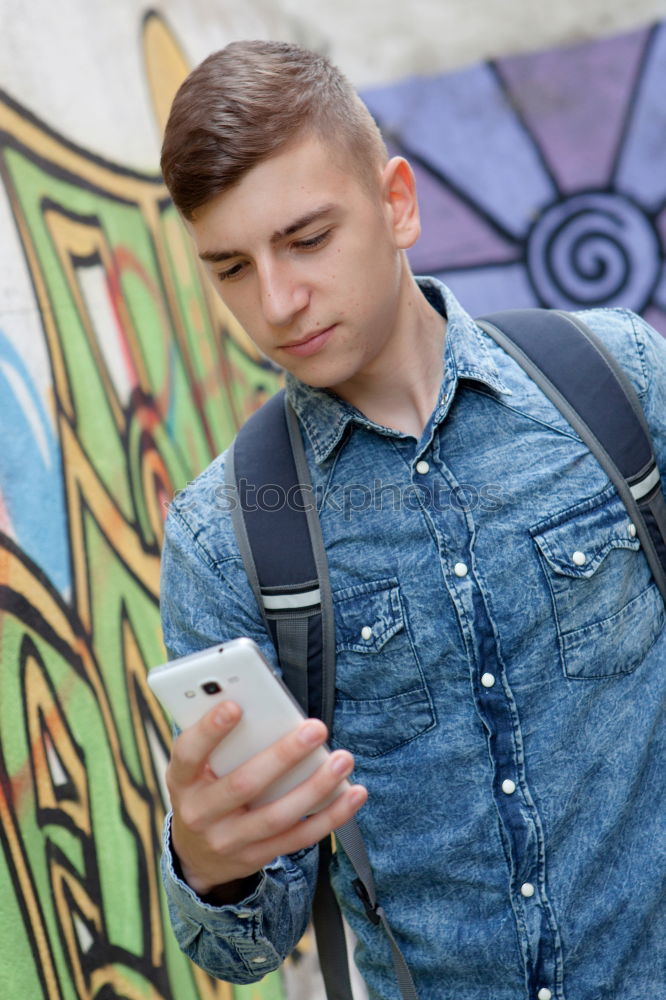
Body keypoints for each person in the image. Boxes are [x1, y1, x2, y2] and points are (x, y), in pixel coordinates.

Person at [158, 39, 666, 1000]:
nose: (276, 302)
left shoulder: (617, 380)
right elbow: (243, 947)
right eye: (230, 267)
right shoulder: (223, 538)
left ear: (397, 203)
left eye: (307, 239)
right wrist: (206, 855)